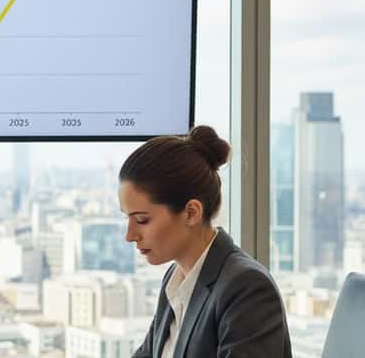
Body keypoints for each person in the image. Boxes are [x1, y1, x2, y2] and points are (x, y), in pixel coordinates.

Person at [121, 125, 291, 358]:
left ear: (191, 213)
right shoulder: (176, 278)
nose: (129, 235)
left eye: (142, 220)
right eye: (127, 218)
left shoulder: (246, 288)